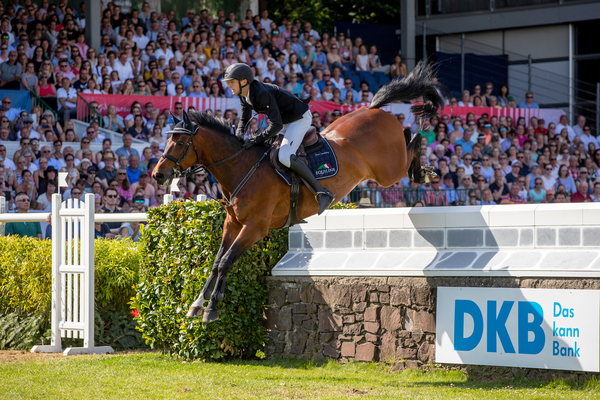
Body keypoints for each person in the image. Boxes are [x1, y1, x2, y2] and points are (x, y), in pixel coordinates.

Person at [222, 63, 333, 214]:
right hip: (284, 121)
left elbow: (276, 125)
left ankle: (322, 192)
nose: (229, 85)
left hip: (298, 119)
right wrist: (238, 139)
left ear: (243, 82)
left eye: (231, 81)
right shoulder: (244, 94)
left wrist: (255, 139)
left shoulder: (261, 93)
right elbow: (244, 120)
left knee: (285, 156)